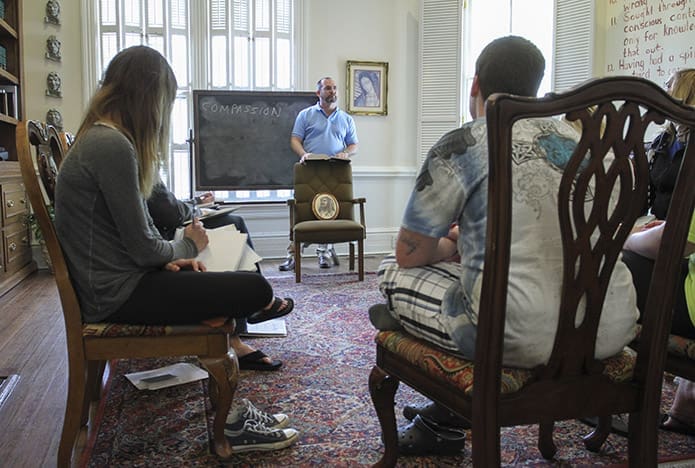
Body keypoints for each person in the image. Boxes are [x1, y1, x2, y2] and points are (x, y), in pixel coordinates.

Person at [368, 35, 639, 455]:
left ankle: (424, 362)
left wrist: (450, 244)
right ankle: (443, 409)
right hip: (609, 329)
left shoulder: (465, 143)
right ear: (537, 85)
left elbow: (410, 253)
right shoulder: (590, 146)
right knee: (485, 271)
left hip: (510, 336)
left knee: (391, 269)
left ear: (474, 85)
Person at [54, 45, 298, 452]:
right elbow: (146, 248)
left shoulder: (99, 138)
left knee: (222, 284)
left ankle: (232, 409)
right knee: (257, 290)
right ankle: (231, 426)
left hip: (116, 286)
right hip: (119, 297)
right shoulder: (112, 146)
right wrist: (188, 244)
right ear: (150, 98)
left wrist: (175, 259)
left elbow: (134, 244)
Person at [147, 181, 284, 371]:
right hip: (164, 239)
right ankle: (248, 311)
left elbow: (165, 205)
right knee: (232, 224)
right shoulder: (133, 160)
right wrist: (195, 208)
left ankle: (244, 318)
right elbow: (169, 211)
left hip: (164, 232)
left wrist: (194, 202)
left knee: (235, 222)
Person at [279, 76, 359, 271]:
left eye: (334, 88)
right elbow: (295, 140)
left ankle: (323, 253)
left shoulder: (346, 118)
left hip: (336, 171)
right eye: (327, 88)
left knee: (330, 211)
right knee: (303, 211)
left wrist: (345, 152)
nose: (332, 91)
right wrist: (304, 154)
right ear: (318, 93)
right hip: (310, 171)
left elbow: (354, 144)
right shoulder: (305, 115)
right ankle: (293, 255)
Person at [644, 69, 695, 220]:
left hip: (685, 234)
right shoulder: (662, 141)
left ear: (684, 92)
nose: (664, 93)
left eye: (669, 86)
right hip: (655, 224)